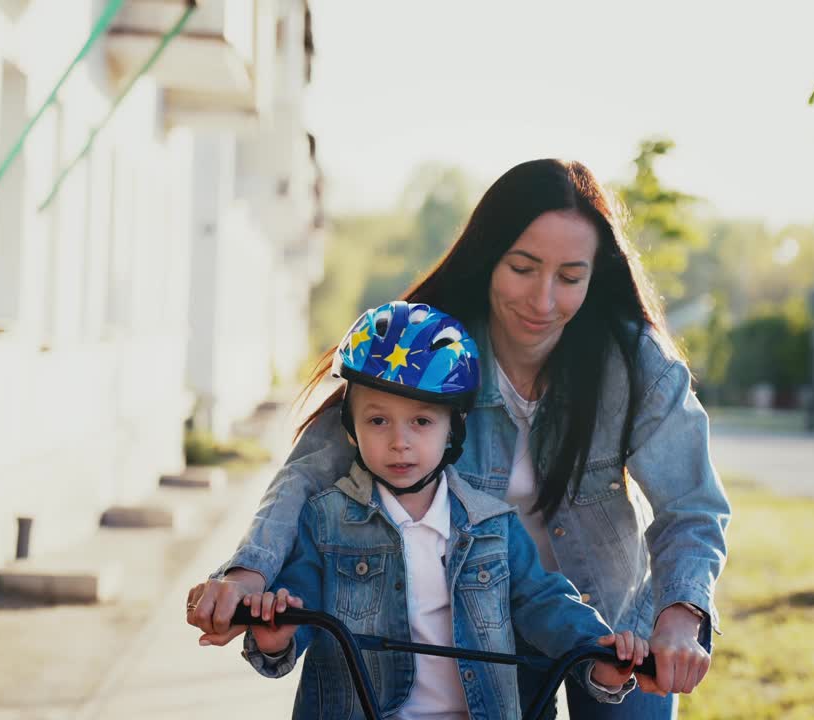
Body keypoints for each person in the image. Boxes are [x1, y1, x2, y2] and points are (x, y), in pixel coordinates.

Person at [188, 158, 731, 718]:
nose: (543, 301)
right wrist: (246, 573)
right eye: (523, 268)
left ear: (595, 277)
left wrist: (680, 615)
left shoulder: (636, 362)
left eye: (570, 277)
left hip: (615, 621)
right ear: (488, 257)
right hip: (483, 623)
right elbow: (308, 473)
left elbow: (691, 504)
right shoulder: (426, 349)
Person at [238, 300, 648, 719]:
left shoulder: (494, 526)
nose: (400, 441)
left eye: (422, 422)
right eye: (378, 421)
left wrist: (597, 653)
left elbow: (544, 600)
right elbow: (299, 600)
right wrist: (278, 636)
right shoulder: (325, 520)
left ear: (454, 426)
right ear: (350, 426)